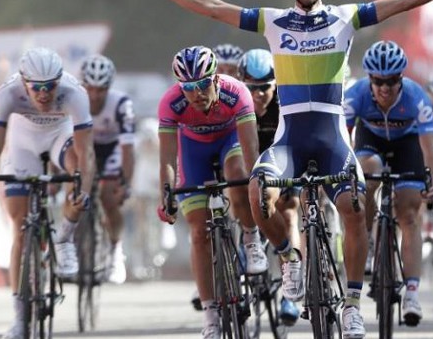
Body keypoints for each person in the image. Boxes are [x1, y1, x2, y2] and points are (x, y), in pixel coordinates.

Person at [126, 0, 433, 338]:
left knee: (355, 206)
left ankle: (352, 305)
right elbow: (214, 7)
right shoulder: (273, 21)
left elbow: (406, 0)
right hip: (289, 143)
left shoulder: (345, 17)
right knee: (256, 191)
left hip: (332, 142)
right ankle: (290, 259)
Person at [0, 47, 96, 339]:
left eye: (50, 86)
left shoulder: (74, 93)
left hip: (60, 136)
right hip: (23, 143)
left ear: (59, 81)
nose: (44, 94)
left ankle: (65, 236)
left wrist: (85, 190)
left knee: (75, 169)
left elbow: (87, 152)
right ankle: (19, 318)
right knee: (19, 228)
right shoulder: (7, 94)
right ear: (24, 82)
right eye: (37, 88)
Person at [156, 46, 269, 339]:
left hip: (229, 140)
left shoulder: (237, 92)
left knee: (237, 175)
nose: (196, 93)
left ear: (216, 78)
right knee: (198, 231)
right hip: (193, 150)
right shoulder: (171, 103)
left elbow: (250, 151)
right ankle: (210, 314)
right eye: (189, 88)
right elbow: (168, 158)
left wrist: (256, 184)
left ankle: (250, 236)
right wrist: (165, 194)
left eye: (203, 84)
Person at [343, 40, 433, 327]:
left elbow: (430, 150)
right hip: (369, 142)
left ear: (401, 78)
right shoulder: (356, 94)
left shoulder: (416, 97)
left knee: (409, 213)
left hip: (407, 146)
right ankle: (370, 242)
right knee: (367, 172)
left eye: (392, 81)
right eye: (378, 81)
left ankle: (411, 292)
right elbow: (341, 141)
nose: (385, 88)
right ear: (370, 79)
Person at [238, 48, 300, 326]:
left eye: (265, 87)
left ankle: (290, 286)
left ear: (276, 83)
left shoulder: (286, 102)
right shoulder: (236, 103)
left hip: (284, 159)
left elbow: (297, 142)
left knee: (289, 211)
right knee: (237, 196)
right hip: (250, 160)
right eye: (252, 87)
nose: (258, 94)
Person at [80, 54, 136, 284]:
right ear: (83, 86)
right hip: (86, 148)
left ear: (109, 87)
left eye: (100, 90)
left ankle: (115, 250)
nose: (94, 95)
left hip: (113, 150)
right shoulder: (76, 101)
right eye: (90, 89)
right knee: (76, 191)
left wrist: (125, 184)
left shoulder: (121, 104)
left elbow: (127, 150)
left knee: (108, 196)